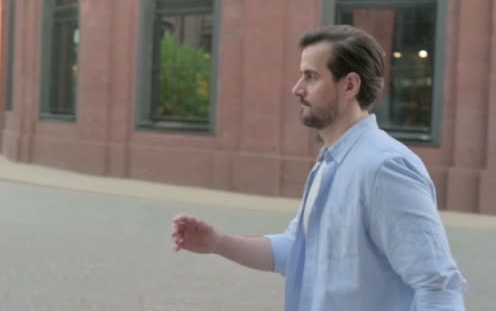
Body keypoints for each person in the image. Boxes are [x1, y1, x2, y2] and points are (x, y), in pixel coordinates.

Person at [171, 25, 467, 311]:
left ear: (349, 85)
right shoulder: (330, 162)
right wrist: (218, 243)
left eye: (311, 77)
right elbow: (296, 249)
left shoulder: (385, 168)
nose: (297, 89)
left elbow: (437, 288)